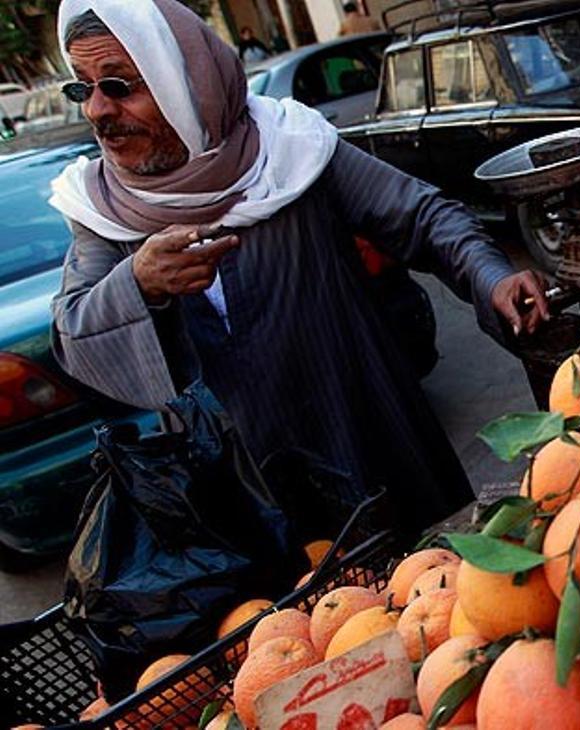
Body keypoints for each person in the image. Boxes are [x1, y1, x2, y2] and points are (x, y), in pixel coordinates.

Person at [49, 0, 550, 535]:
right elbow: (74, 329)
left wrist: (490, 274)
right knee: (301, 619)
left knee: (431, 590)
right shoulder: (100, 209)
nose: (97, 110)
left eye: (120, 86)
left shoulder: (290, 150)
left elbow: (422, 215)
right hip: (246, 494)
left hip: (365, 436)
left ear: (184, 84)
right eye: (82, 88)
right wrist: (139, 283)